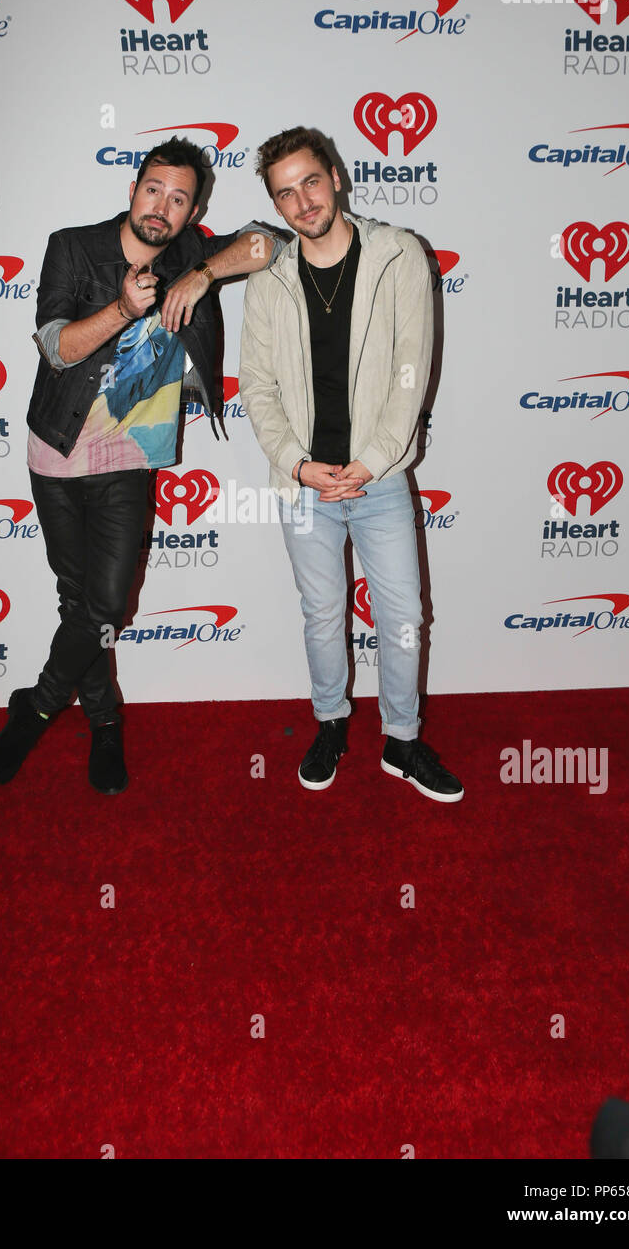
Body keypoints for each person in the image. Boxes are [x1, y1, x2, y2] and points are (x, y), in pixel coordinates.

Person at [0, 136, 279, 794]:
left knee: (106, 605)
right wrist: (123, 308)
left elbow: (271, 243)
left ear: (192, 209)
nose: (163, 206)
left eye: (180, 198)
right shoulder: (73, 245)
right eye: (154, 190)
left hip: (128, 456)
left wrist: (203, 274)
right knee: (79, 601)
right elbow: (56, 347)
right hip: (59, 447)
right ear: (132, 190)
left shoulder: (193, 251)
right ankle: (104, 723)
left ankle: (36, 707)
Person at [239, 126, 462, 801]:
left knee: (403, 617)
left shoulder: (399, 255)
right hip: (304, 484)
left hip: (381, 479)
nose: (302, 202)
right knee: (322, 613)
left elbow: (410, 375)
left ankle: (402, 739)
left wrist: (368, 463)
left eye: (311, 181)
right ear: (275, 205)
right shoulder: (268, 279)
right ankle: (331, 724)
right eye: (285, 193)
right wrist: (299, 465)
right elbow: (256, 386)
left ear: (336, 176)